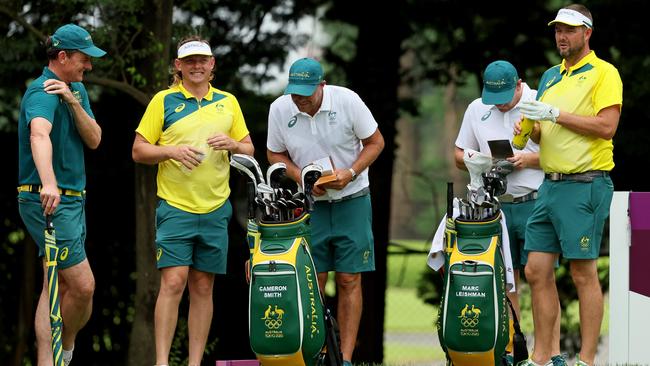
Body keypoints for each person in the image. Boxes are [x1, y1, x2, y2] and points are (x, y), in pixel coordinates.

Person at [132, 36, 254, 366]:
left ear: (212, 64)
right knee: (173, 282)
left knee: (202, 287)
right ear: (179, 66)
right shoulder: (163, 101)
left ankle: (194, 363)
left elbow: (249, 148)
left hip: (216, 208)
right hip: (175, 206)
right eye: (190, 61)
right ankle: (161, 362)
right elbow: (139, 150)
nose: (197, 66)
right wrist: (171, 151)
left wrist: (232, 143)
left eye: (203, 60)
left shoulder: (228, 102)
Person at [517, 4, 623, 366]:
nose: (562, 36)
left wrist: (554, 114)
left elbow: (607, 127)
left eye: (570, 30)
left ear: (587, 33)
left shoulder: (604, 73)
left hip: (585, 184)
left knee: (582, 271)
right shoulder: (549, 77)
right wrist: (530, 127)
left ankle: (586, 360)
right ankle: (542, 357)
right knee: (535, 269)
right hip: (549, 185)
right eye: (558, 30)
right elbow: (544, 130)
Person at [266, 57, 384, 365]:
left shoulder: (348, 101)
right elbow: (274, 152)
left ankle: (343, 358)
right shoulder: (280, 108)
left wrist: (351, 172)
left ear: (323, 85)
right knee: (312, 279)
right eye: (295, 93)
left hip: (353, 199)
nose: (300, 100)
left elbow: (375, 142)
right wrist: (301, 176)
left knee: (349, 279)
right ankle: (315, 353)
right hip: (311, 205)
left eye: (307, 93)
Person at [454, 60, 563, 365]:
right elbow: (459, 153)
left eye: (504, 97)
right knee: (505, 279)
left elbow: (562, 156)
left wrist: (526, 160)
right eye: (493, 97)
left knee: (542, 277)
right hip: (495, 206)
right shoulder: (477, 107)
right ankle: (513, 349)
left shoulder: (537, 103)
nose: (499, 105)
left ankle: (552, 353)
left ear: (518, 85)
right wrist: (479, 160)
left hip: (535, 201)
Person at [17, 23, 106, 366]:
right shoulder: (41, 91)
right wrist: (49, 182)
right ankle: (64, 351)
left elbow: (95, 138)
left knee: (52, 285)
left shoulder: (75, 91)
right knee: (83, 286)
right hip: (48, 199)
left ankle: (48, 361)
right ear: (64, 56)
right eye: (85, 59)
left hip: (73, 200)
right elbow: (40, 136)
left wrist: (72, 101)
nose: (90, 66)